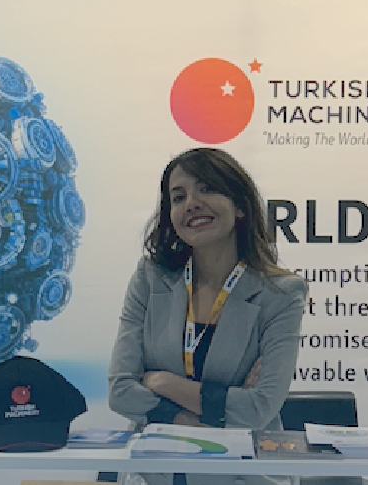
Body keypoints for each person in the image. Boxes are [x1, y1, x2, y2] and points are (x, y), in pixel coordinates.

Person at [107, 148, 306, 433]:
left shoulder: (281, 294)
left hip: (242, 459)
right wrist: (199, 419)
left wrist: (160, 382)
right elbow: (121, 391)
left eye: (207, 189)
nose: (191, 204)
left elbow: (258, 408)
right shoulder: (149, 279)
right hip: (158, 458)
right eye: (178, 197)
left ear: (240, 206)